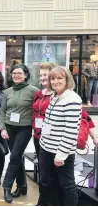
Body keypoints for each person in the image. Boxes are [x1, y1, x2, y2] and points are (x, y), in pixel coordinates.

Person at [38, 66, 81, 206]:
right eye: (53, 78)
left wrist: (61, 154)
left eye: (59, 78)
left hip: (60, 151)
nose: (55, 81)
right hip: (46, 147)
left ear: (67, 79)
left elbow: (71, 130)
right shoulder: (55, 96)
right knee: (46, 181)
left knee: (67, 185)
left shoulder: (72, 99)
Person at [0, 64, 39, 203]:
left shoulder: (34, 91)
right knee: (17, 158)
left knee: (15, 156)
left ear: (26, 75)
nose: (16, 75)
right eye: (14, 73)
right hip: (10, 128)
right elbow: (3, 111)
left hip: (24, 128)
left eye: (19, 73)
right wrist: (3, 128)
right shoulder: (7, 92)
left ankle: (6, 186)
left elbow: (38, 110)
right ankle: (22, 186)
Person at [32, 62, 58, 160]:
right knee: (41, 167)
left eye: (45, 75)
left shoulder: (59, 94)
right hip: (38, 136)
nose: (42, 78)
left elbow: (84, 116)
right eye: (41, 75)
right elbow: (34, 114)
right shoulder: (38, 94)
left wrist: (94, 136)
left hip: (53, 137)